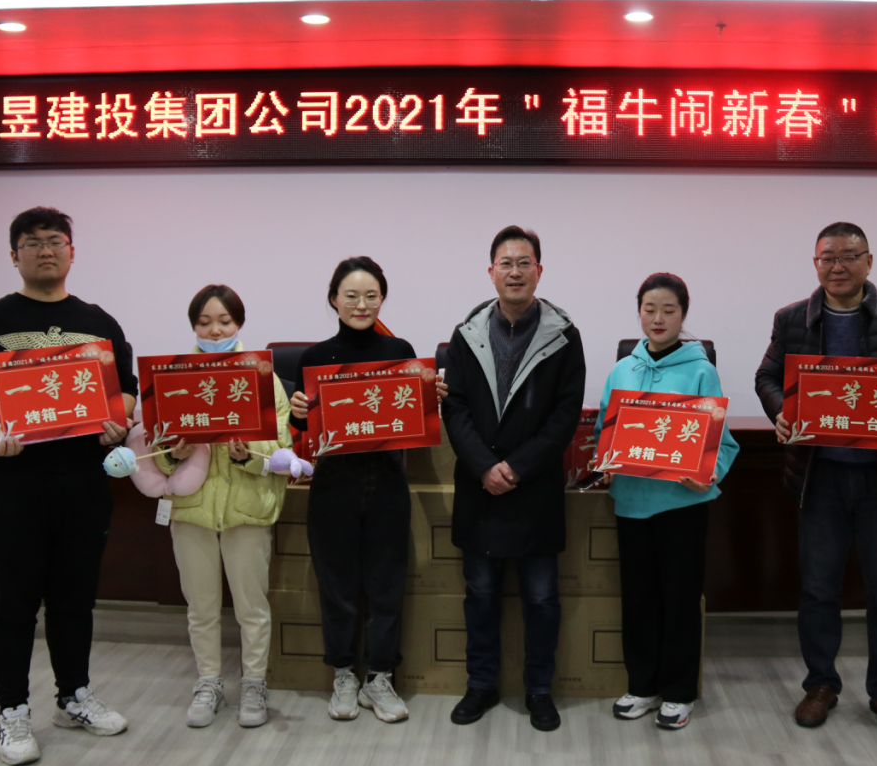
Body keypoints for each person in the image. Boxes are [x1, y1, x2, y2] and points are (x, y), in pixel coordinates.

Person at [0, 207, 137, 766]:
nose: (46, 250)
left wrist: (116, 418)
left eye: (56, 241)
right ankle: (12, 709)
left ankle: (73, 696)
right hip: (14, 484)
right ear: (14, 256)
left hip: (83, 484)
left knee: (75, 598)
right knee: (14, 602)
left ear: (72, 252)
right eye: (32, 243)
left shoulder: (98, 321)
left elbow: (125, 390)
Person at [754, 221, 877, 737]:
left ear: (869, 261)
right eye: (828, 257)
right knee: (818, 590)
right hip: (820, 478)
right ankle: (821, 684)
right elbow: (766, 377)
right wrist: (780, 411)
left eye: (849, 256)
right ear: (815, 263)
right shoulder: (792, 318)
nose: (838, 266)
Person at [442, 225, 586, 732]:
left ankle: (539, 690)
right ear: (491, 272)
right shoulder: (466, 334)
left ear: (539, 271)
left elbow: (565, 416)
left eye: (525, 263)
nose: (515, 272)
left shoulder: (564, 336)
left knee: (542, 599)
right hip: (479, 488)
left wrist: (518, 467)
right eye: (506, 263)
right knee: (480, 596)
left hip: (535, 489)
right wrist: (485, 466)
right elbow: (455, 408)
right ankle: (480, 685)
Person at [145, 285, 297, 729]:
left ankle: (254, 684)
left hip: (246, 509)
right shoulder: (171, 378)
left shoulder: (263, 378)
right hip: (191, 510)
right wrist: (174, 453)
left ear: (239, 324)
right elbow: (154, 452)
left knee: (252, 607)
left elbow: (282, 449)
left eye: (224, 322)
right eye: (205, 322)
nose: (215, 331)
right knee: (201, 607)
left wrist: (246, 454)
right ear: (193, 326)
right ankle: (208, 682)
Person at [594, 273, 739, 730]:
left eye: (669, 310)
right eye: (650, 309)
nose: (658, 319)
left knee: (680, 600)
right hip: (631, 502)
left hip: (681, 505)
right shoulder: (622, 370)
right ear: (639, 312)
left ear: (683, 315)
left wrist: (709, 472)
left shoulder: (701, 370)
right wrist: (605, 462)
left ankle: (678, 692)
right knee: (638, 599)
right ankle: (642, 685)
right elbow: (603, 433)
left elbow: (722, 443)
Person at [289, 257, 423, 724]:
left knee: (386, 586)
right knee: (338, 587)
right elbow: (300, 431)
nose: (361, 304)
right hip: (334, 484)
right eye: (351, 295)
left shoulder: (400, 350)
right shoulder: (313, 358)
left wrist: (431, 398)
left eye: (370, 295)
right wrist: (298, 412)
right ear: (334, 299)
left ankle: (379, 677)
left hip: (387, 482)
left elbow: (413, 421)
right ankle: (344, 674)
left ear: (382, 299)